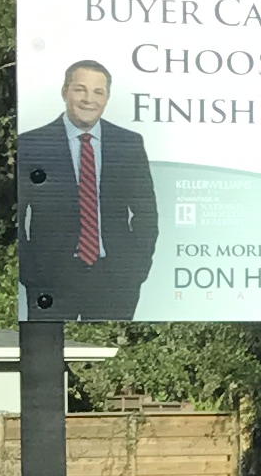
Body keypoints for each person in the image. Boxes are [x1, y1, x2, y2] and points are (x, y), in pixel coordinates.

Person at [18, 59, 160, 319]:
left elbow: (146, 213)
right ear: (65, 92)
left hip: (115, 281)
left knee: (114, 343)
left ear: (107, 98)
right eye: (80, 89)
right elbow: (16, 212)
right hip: (50, 279)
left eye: (98, 92)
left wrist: (136, 269)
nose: (88, 99)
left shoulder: (128, 144)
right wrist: (29, 271)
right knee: (48, 342)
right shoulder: (32, 144)